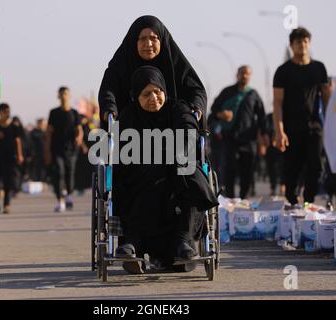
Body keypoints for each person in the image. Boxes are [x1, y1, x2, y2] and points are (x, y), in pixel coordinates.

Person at [113, 66, 218, 274]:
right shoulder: (129, 117)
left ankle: (184, 242)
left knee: (191, 177)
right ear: (136, 96)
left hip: (178, 170)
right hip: (143, 177)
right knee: (148, 174)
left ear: (165, 91)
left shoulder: (177, 109)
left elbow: (189, 134)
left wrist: (170, 154)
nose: (153, 97)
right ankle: (133, 242)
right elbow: (126, 150)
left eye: (157, 92)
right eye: (146, 94)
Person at [99, 15, 207, 128]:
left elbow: (196, 90)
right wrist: (110, 108)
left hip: (173, 133)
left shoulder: (175, 63)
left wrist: (195, 108)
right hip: (130, 134)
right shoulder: (121, 64)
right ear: (134, 41)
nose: (148, 44)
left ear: (161, 40)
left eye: (153, 38)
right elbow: (108, 90)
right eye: (143, 39)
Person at [273, 27, 331, 206]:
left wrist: (331, 126)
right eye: (298, 42)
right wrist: (279, 131)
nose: (302, 45)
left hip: (315, 127)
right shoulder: (283, 71)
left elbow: (327, 98)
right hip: (291, 128)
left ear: (309, 43)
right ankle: (292, 199)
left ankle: (308, 200)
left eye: (305, 41)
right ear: (292, 45)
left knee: (316, 166)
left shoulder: (319, 68)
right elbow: (277, 103)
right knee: (292, 169)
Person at [209, 65, 267, 199]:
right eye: (242, 73)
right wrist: (221, 115)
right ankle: (229, 198)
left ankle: (243, 198)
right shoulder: (227, 92)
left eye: (247, 74)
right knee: (229, 170)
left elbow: (262, 117)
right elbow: (214, 109)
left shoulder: (253, 95)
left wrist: (264, 136)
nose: (244, 76)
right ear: (237, 75)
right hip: (229, 138)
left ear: (250, 76)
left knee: (247, 171)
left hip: (248, 140)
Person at [45, 87, 83, 212]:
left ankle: (69, 197)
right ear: (58, 96)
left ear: (69, 96)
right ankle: (60, 200)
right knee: (59, 173)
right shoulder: (54, 113)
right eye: (61, 94)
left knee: (70, 173)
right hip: (56, 149)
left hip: (71, 149)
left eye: (65, 94)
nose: (63, 96)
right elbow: (49, 132)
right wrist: (48, 150)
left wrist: (79, 138)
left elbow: (79, 130)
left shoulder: (74, 113)